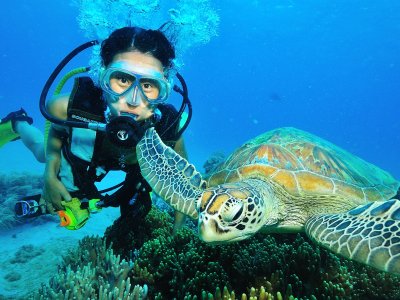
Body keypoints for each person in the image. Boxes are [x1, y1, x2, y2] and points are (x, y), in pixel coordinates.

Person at [42, 26, 187, 231]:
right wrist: (49, 172)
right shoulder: (64, 108)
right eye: (122, 79)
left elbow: (180, 181)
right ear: (102, 77)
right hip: (87, 156)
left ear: (165, 88)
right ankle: (18, 125)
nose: (133, 100)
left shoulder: (169, 129)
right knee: (41, 153)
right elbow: (56, 132)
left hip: (133, 171)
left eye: (148, 86)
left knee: (137, 210)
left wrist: (178, 230)